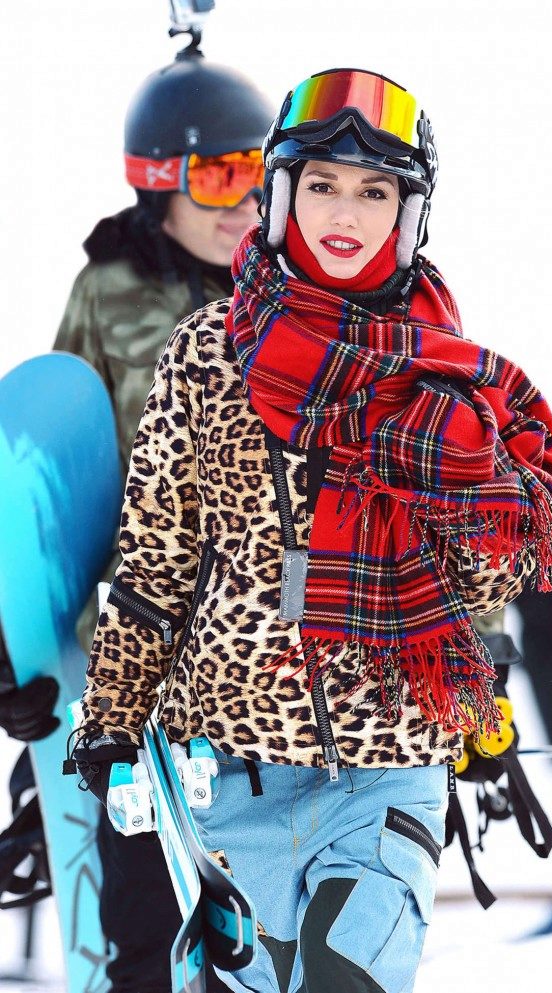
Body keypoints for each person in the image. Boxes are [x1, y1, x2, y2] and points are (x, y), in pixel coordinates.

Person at [73, 67, 552, 993]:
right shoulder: (205, 355)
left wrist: (480, 691)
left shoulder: (446, 379)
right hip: (230, 770)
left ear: (408, 213)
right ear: (281, 195)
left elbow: (473, 591)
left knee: (343, 978)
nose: (345, 212)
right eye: (322, 184)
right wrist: (111, 716)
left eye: (374, 191)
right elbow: (155, 563)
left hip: (387, 763)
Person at [35, 46, 270, 993]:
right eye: (218, 175)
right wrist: (27, 655)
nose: (244, 202)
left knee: (265, 933)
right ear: (158, 179)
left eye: (260, 173)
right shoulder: (108, 291)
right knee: (144, 930)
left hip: (269, 657)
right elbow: (59, 476)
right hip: (142, 667)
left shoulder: (299, 293)